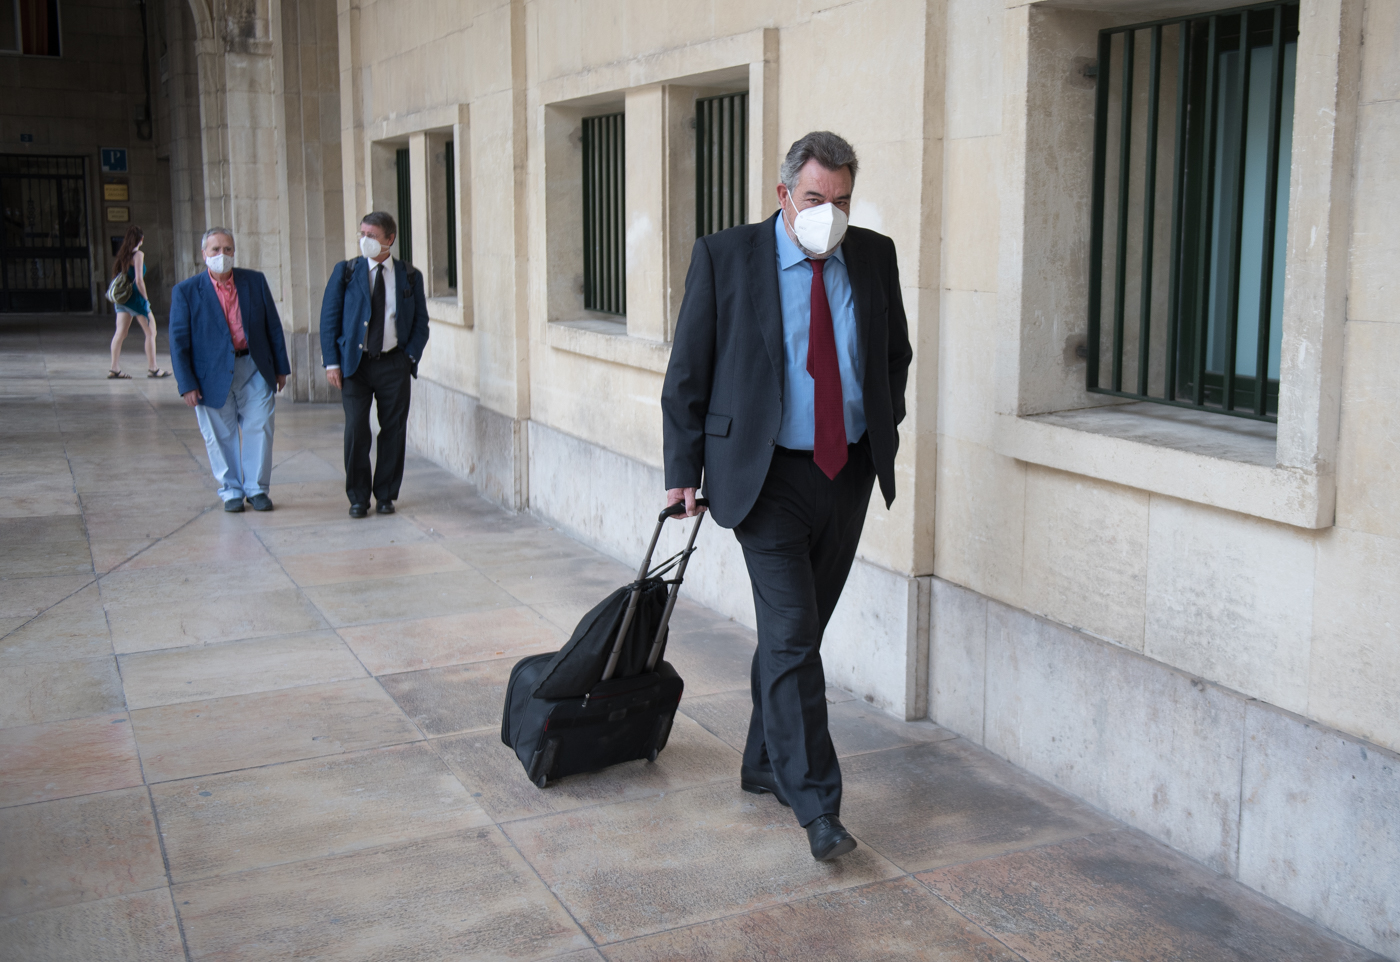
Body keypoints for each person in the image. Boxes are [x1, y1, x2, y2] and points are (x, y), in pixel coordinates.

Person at [661, 131, 912, 861]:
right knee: (795, 634)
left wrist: (880, 425)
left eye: (842, 200)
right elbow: (688, 369)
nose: (828, 213)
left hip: (846, 470)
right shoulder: (726, 256)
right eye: (814, 198)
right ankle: (818, 806)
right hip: (763, 475)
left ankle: (764, 759)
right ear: (783, 195)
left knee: (795, 634)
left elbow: (893, 355)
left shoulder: (874, 255)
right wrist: (683, 467)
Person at [168, 228, 290, 513]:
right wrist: (186, 384)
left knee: (260, 426)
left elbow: (272, 326)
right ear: (204, 254)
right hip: (210, 375)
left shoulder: (254, 281)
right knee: (220, 434)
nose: (222, 255)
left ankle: (257, 489)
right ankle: (231, 490)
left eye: (227, 249)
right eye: (215, 249)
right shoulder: (186, 291)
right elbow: (178, 341)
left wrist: (280, 368)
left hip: (254, 367)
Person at [318, 211, 430, 519]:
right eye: (362, 234)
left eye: (372, 235)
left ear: (389, 239)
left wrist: (409, 357)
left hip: (394, 363)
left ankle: (385, 495)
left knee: (393, 430)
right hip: (355, 365)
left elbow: (421, 322)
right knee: (356, 429)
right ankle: (358, 497)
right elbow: (329, 319)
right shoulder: (346, 272)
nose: (364, 240)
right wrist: (332, 363)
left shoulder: (409, 275)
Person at [107, 225, 170, 379]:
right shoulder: (138, 255)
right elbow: (139, 280)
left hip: (122, 300)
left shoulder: (123, 255)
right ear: (141, 239)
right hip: (135, 299)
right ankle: (153, 368)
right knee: (151, 332)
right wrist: (146, 299)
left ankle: (114, 368)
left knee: (120, 333)